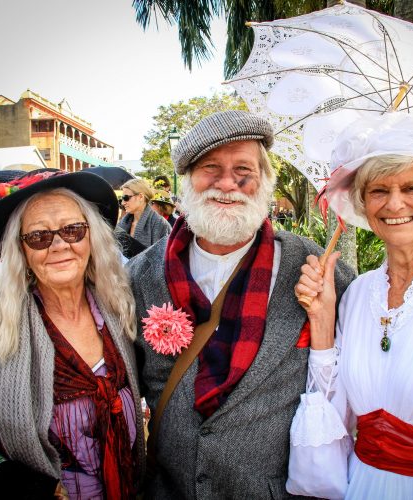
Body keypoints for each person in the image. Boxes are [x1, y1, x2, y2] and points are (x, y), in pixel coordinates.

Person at [127, 110, 356, 499]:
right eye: (210, 168)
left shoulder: (316, 267)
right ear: (187, 181)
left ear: (265, 182)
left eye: (244, 171)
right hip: (168, 489)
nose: (227, 183)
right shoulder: (138, 275)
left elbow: (353, 375)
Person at [287, 113, 413, 499]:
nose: (394, 203)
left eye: (411, 187)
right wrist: (322, 317)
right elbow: (334, 412)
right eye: (378, 190)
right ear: (364, 205)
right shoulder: (357, 293)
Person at [0, 171, 145, 499]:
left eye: (73, 230)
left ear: (92, 239)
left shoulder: (120, 309)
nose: (60, 245)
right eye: (39, 236)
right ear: (21, 250)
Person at [118, 178, 170, 250]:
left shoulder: (160, 224)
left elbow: (163, 257)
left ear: (140, 197)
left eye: (126, 198)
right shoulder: (123, 222)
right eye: (121, 199)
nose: (122, 203)